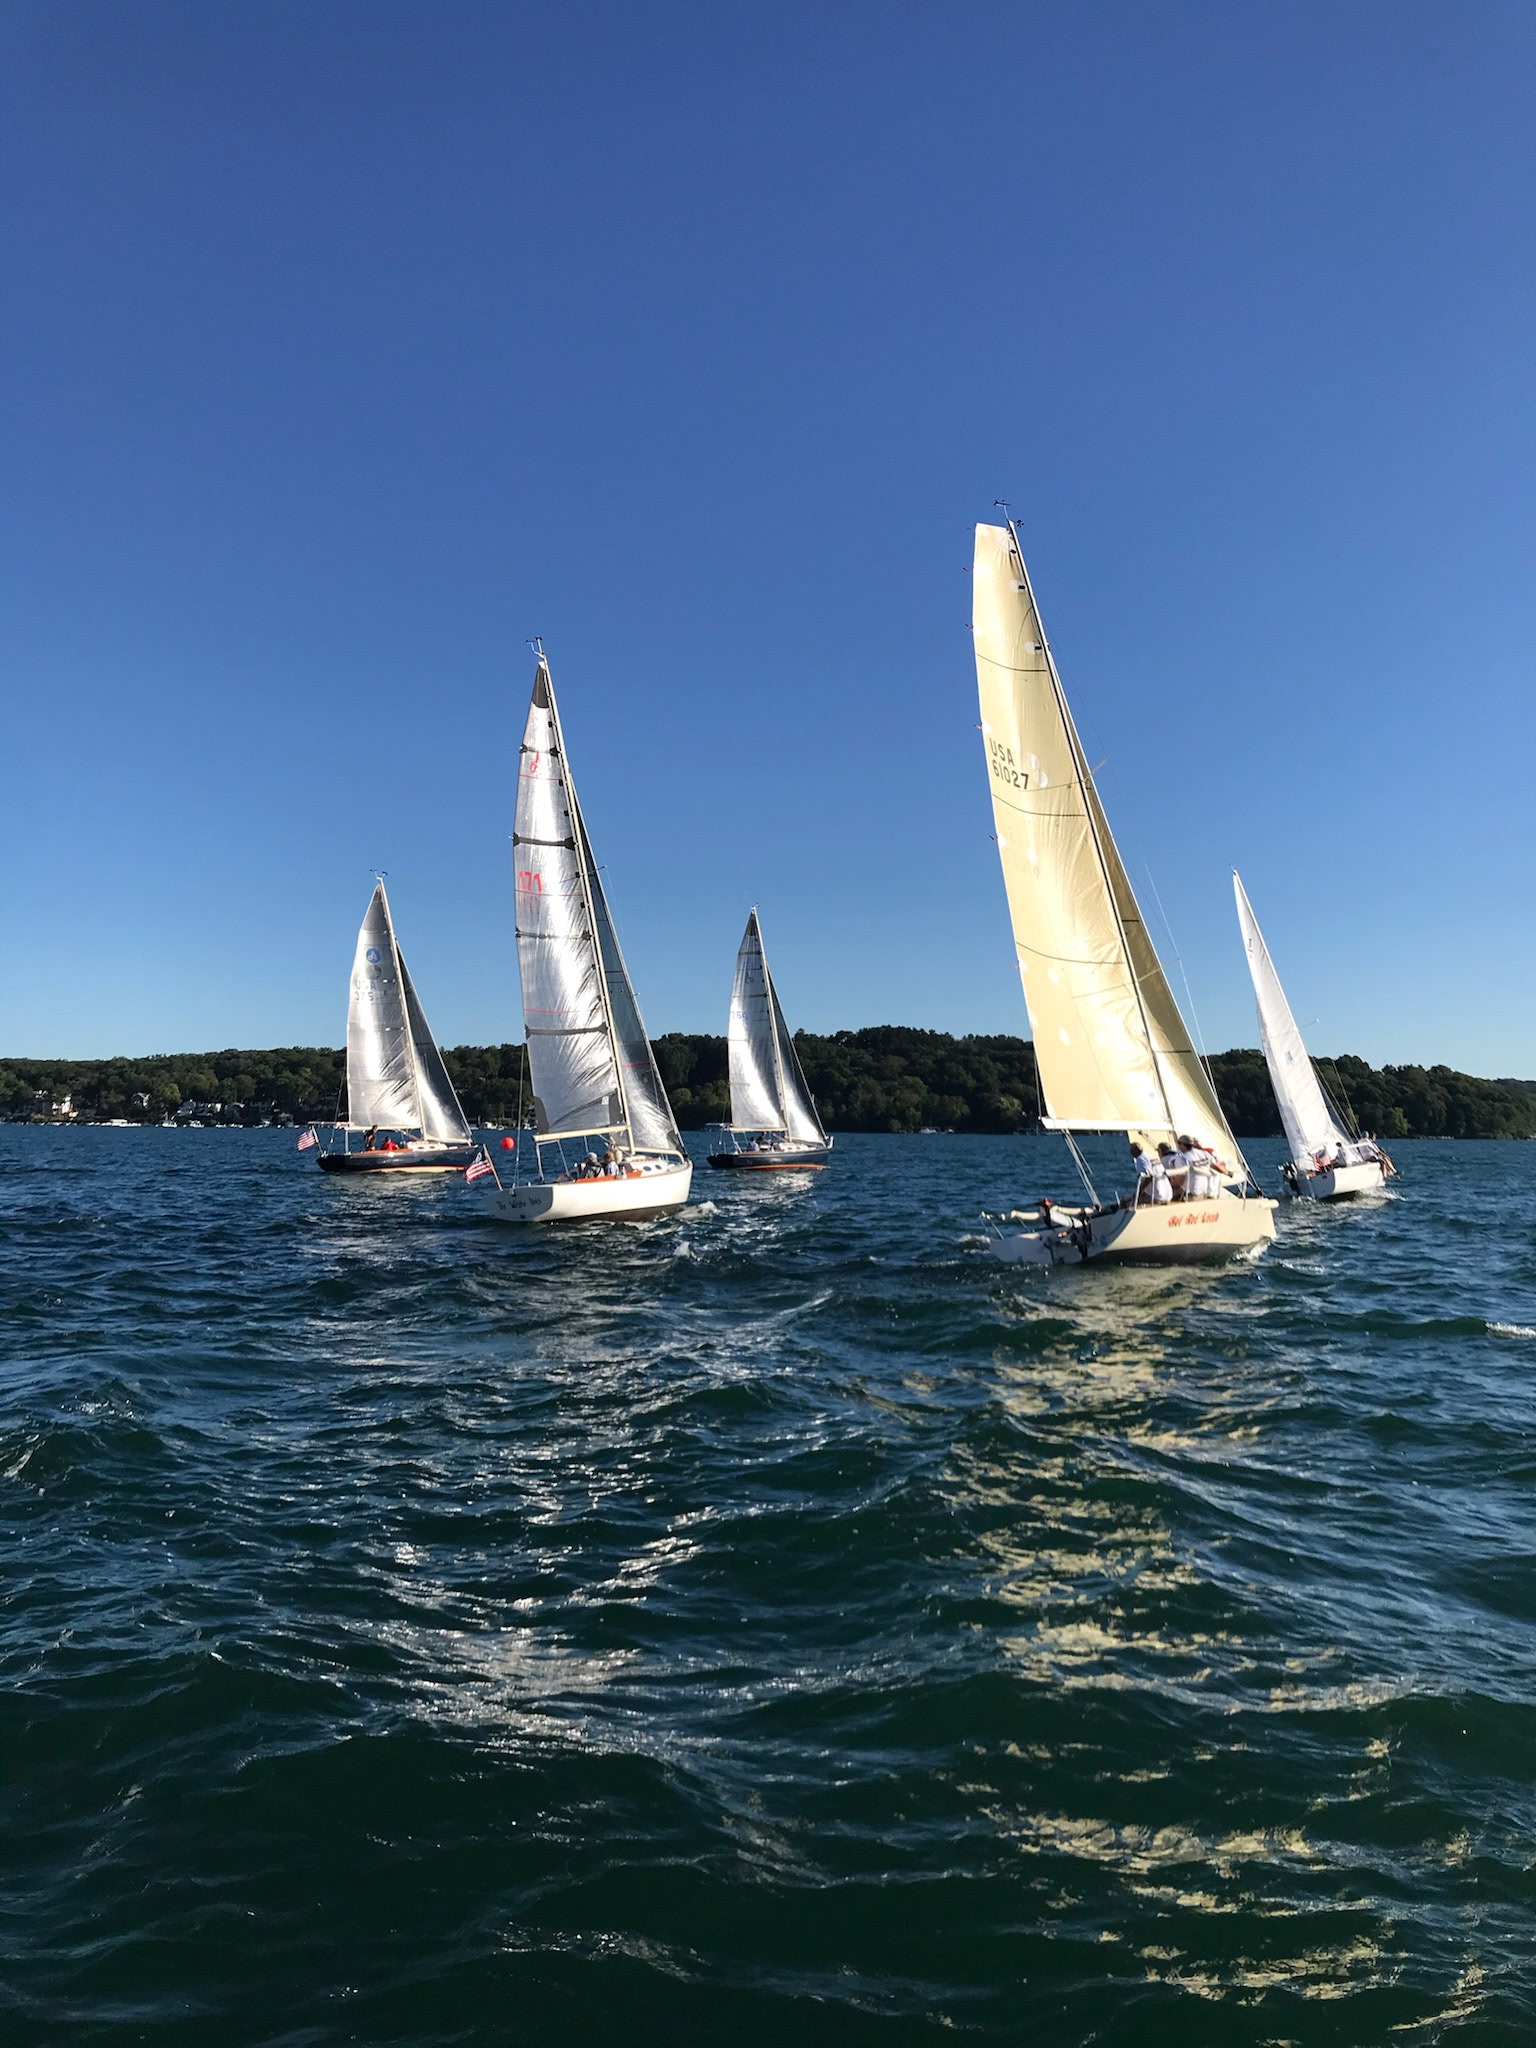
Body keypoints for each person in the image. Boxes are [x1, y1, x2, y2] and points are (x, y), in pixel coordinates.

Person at [1128, 1139, 1170, 1206]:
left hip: (1157, 1196)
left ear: (1133, 1152)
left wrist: (1139, 1192)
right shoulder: (1151, 1156)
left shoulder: (1140, 1159)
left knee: (1128, 1202)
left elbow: (1149, 1177)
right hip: (1168, 1195)